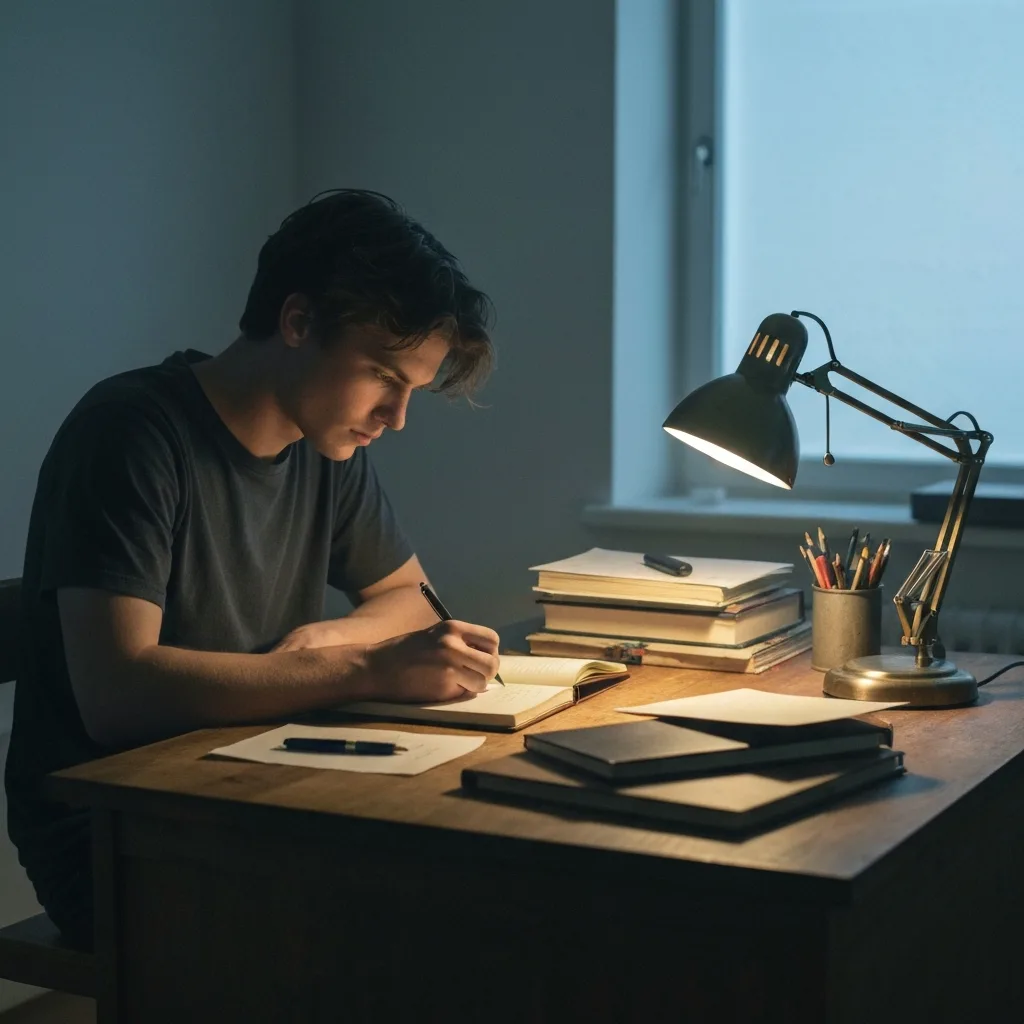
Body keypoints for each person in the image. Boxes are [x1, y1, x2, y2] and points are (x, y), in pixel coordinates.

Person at [4, 189, 501, 951]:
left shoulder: (325, 444)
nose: (395, 418)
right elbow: (117, 693)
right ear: (297, 322)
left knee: (473, 886)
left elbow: (410, 598)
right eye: (382, 376)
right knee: (421, 924)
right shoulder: (132, 434)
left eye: (412, 392)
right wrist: (362, 666)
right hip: (117, 829)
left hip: (252, 784)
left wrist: (322, 647)